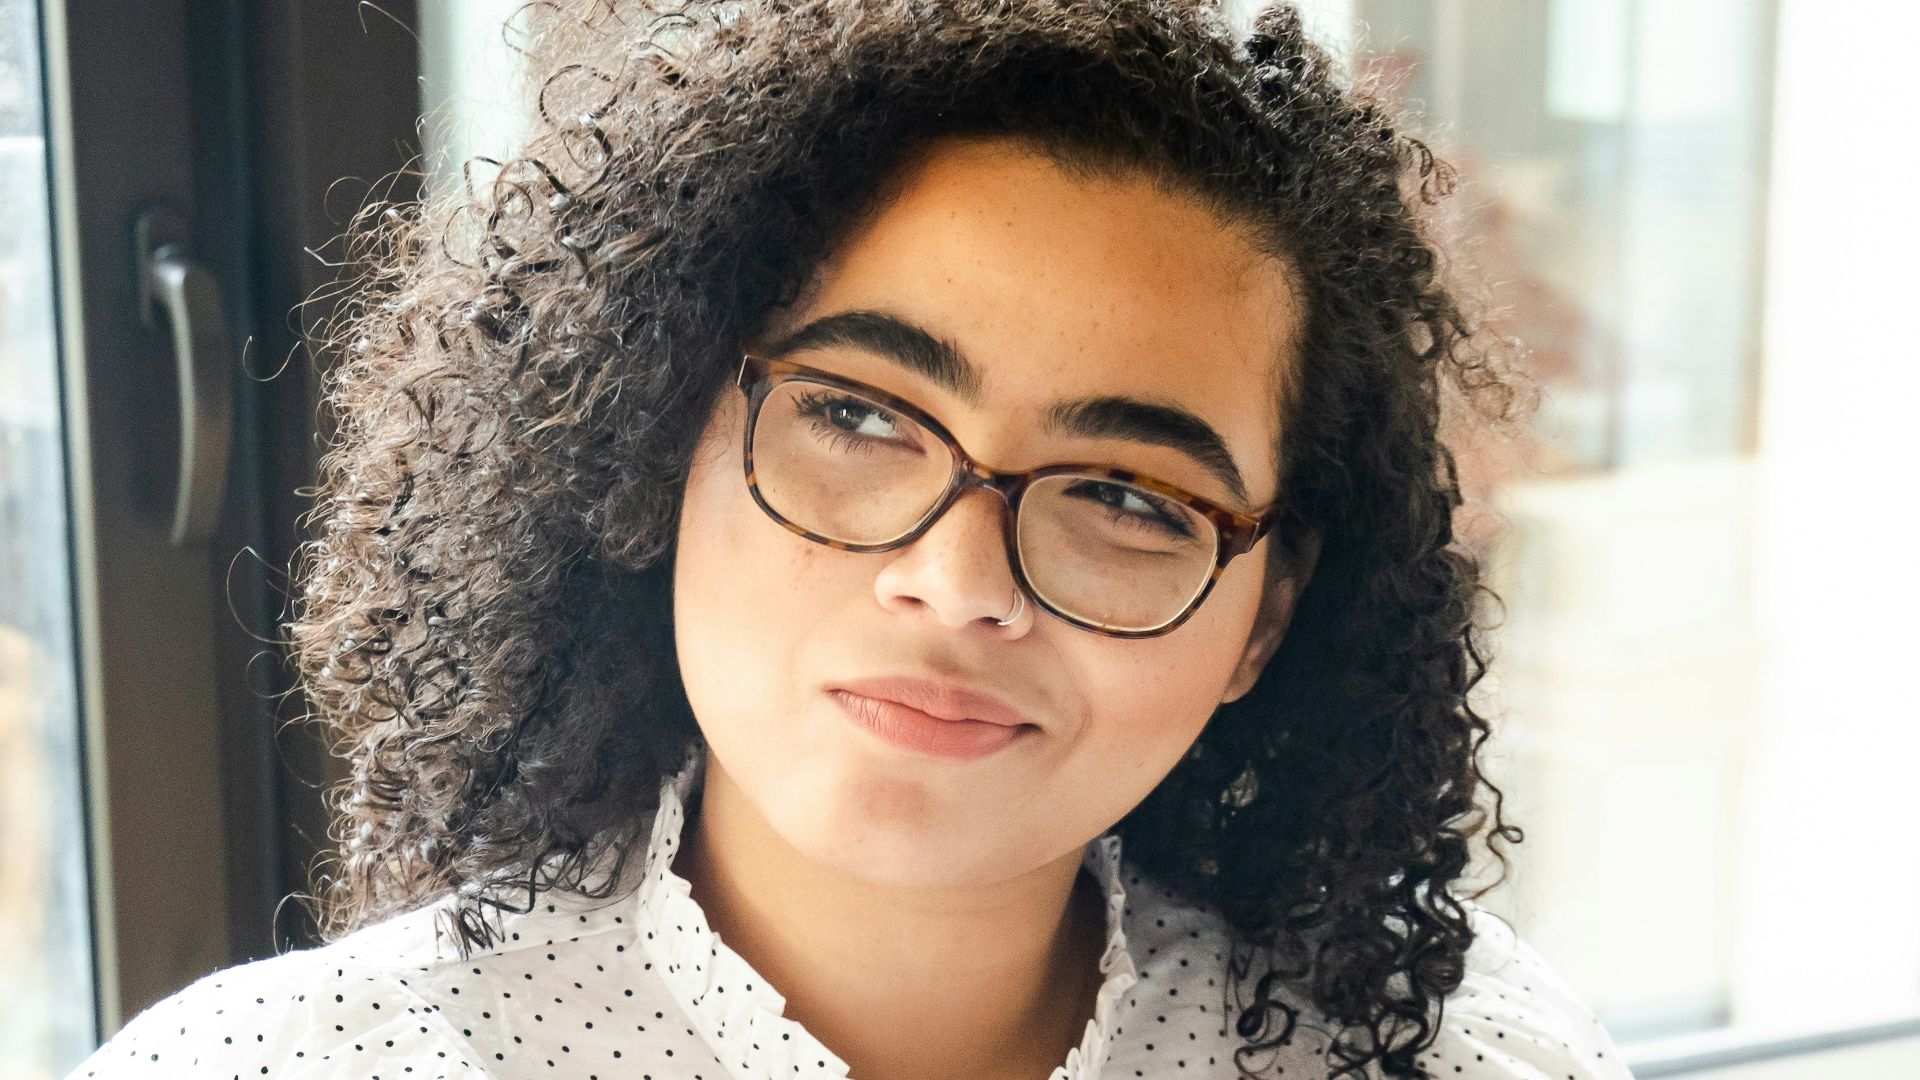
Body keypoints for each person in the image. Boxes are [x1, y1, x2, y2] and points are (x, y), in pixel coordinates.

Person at [66, 2, 1635, 1078]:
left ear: (1266, 623)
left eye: (1127, 499)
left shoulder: (1468, 1056)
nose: (954, 585)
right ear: (656, 437)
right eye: (861, 417)